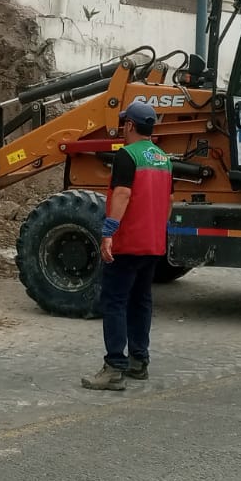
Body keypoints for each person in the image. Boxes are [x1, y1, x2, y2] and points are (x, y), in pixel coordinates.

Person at [81, 100, 173, 391]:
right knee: (141, 300)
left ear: (130, 125)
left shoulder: (126, 155)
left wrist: (109, 231)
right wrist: (157, 230)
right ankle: (138, 361)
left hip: (128, 242)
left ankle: (114, 368)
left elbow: (122, 193)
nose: (122, 128)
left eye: (124, 124)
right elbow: (169, 201)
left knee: (115, 301)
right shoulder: (164, 159)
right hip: (153, 244)